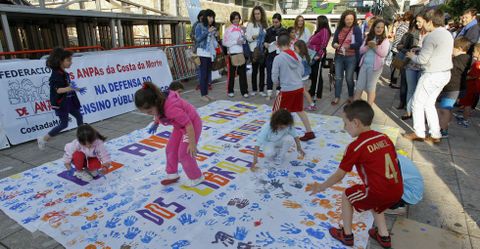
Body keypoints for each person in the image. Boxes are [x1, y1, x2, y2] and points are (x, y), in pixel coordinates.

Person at [306, 100, 403, 249]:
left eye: (345, 123)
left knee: (347, 196)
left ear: (356, 122)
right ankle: (384, 236)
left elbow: (339, 175)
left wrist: (321, 187)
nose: (344, 128)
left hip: (379, 192)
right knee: (375, 202)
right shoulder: (384, 137)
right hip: (397, 190)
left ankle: (346, 235)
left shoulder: (356, 146)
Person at [135, 82, 204, 187]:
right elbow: (158, 113)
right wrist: (156, 123)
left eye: (149, 111)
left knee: (184, 153)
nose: (149, 114)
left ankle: (196, 177)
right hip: (179, 126)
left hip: (191, 125)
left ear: (156, 102)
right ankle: (172, 174)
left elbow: (188, 124)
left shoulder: (171, 109)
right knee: (171, 149)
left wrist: (192, 143)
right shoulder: (159, 102)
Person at [403, 9, 454, 144]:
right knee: (429, 104)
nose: (422, 25)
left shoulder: (431, 36)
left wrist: (411, 55)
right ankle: (435, 134)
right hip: (444, 73)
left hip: (432, 74)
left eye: (423, 22)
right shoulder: (447, 34)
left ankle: (419, 132)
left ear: (430, 22)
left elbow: (422, 60)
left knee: (417, 103)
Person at [37, 47, 85, 150]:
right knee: (64, 124)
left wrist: (77, 89)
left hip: (69, 101)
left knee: (79, 116)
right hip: (61, 103)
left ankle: (82, 139)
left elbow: (68, 87)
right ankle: (43, 139)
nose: (71, 63)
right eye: (68, 60)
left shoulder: (65, 74)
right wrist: (70, 88)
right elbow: (58, 90)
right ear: (60, 61)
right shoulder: (55, 75)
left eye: (70, 60)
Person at [272, 34, 315, 141]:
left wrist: (277, 83)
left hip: (286, 89)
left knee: (276, 111)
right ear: (290, 43)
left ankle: (273, 132)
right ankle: (309, 132)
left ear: (277, 45)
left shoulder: (278, 58)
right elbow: (301, 71)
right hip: (298, 87)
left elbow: (274, 75)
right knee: (299, 110)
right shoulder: (297, 56)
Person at [438, 38, 471, 137]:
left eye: (453, 47)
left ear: (459, 48)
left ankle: (443, 130)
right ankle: (444, 127)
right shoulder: (467, 58)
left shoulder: (459, 59)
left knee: (444, 109)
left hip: (453, 88)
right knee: (447, 109)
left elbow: (450, 68)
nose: (451, 49)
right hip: (456, 88)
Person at [354, 19, 390, 105]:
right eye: (378, 27)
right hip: (364, 65)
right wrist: (367, 46)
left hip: (375, 68)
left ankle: (369, 109)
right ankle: (354, 108)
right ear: (374, 27)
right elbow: (360, 50)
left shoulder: (385, 40)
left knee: (371, 88)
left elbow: (383, 54)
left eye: (382, 27)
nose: (379, 29)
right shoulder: (368, 37)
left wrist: (375, 47)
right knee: (359, 86)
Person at [401, 13, 429, 120]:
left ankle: (420, 114)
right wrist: (408, 50)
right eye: (416, 21)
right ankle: (408, 112)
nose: (417, 23)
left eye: (419, 21)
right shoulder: (413, 33)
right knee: (411, 89)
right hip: (411, 65)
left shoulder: (431, 34)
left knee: (421, 91)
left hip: (424, 67)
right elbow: (404, 47)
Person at [331, 10, 363, 105]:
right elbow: (333, 42)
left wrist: (350, 46)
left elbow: (359, 43)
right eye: (347, 19)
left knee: (349, 78)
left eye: (351, 19)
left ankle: (350, 96)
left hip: (351, 57)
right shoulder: (339, 28)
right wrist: (335, 45)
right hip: (339, 56)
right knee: (338, 77)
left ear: (354, 20)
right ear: (343, 19)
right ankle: (337, 97)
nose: (349, 21)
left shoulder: (356, 29)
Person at [395, 19, 420, 110]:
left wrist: (402, 49)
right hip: (405, 62)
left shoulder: (417, 36)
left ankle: (408, 104)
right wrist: (400, 47)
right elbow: (399, 45)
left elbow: (413, 51)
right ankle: (403, 102)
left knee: (409, 85)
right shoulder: (407, 35)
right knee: (404, 83)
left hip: (414, 63)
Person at [223, 11, 249, 98]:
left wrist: (243, 39)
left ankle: (244, 91)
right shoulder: (228, 29)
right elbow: (224, 42)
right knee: (232, 73)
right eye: (234, 18)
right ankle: (230, 90)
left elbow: (244, 41)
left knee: (243, 74)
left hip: (241, 53)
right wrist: (235, 42)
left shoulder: (241, 29)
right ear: (231, 19)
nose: (236, 20)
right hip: (232, 54)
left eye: (237, 18)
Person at [195, 9, 217, 102]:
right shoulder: (199, 26)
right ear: (205, 17)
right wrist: (208, 32)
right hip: (202, 52)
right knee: (203, 75)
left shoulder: (209, 26)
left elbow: (212, 41)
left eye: (212, 17)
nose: (211, 19)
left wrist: (214, 34)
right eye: (210, 17)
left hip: (209, 53)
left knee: (208, 74)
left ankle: (206, 94)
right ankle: (202, 94)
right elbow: (198, 39)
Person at [308, 15, 331, 101]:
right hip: (313, 54)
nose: (316, 22)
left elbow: (324, 44)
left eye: (317, 21)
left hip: (318, 55)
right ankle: (312, 90)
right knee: (313, 74)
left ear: (321, 21)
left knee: (317, 74)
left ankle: (318, 93)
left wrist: (319, 55)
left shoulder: (324, 31)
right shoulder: (319, 31)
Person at [246, 6, 268, 96]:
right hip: (254, 50)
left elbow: (267, 36)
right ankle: (254, 89)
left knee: (262, 70)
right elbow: (247, 37)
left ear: (261, 14)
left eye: (258, 13)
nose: (257, 15)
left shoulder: (265, 24)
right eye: (255, 14)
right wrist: (253, 37)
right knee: (254, 71)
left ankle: (261, 90)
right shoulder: (251, 24)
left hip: (263, 50)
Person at [457, 43, 480, 128]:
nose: (473, 52)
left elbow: (473, 76)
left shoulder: (477, 64)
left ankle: (465, 120)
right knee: (468, 103)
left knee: (467, 104)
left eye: (474, 51)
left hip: (471, 87)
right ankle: (464, 117)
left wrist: (465, 76)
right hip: (475, 87)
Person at [265, 13, 286, 99]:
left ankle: (278, 92)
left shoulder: (284, 31)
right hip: (270, 54)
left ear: (280, 21)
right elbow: (265, 41)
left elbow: (287, 43)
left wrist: (280, 44)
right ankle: (269, 93)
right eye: (273, 22)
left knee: (280, 74)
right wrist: (265, 44)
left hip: (280, 55)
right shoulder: (269, 30)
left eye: (276, 22)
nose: (275, 24)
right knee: (269, 73)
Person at [390, 11, 414, 89]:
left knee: (395, 64)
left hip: (395, 45)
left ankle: (392, 81)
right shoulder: (407, 27)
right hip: (400, 47)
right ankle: (394, 82)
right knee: (398, 66)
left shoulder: (401, 24)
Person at [294, 40, 316, 111]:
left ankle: (312, 105)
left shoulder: (300, 58)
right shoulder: (306, 55)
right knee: (303, 91)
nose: (294, 50)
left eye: (295, 49)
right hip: (305, 76)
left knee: (303, 91)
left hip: (302, 77)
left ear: (300, 49)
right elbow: (311, 63)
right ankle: (310, 104)